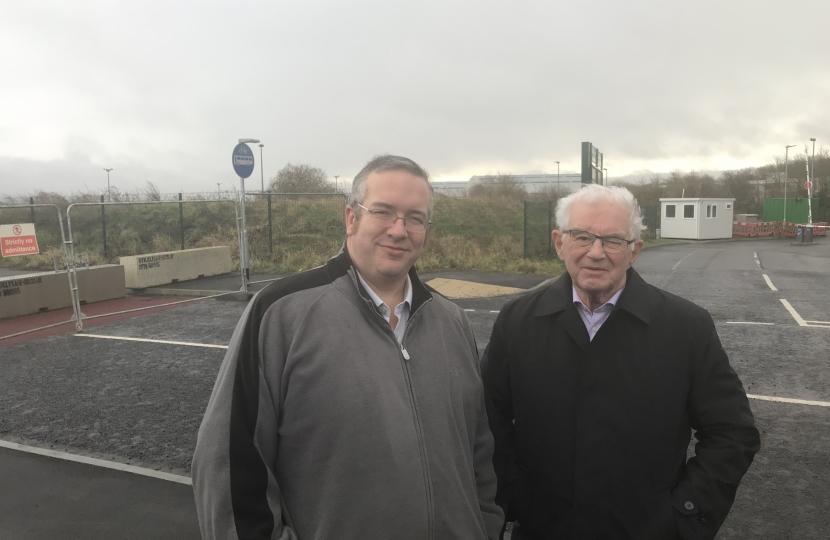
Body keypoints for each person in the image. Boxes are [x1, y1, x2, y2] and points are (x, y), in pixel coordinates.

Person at [192, 155, 503, 540]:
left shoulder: (452, 321)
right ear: (351, 218)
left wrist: (485, 526)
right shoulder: (281, 313)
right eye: (384, 212)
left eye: (415, 218)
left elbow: (478, 453)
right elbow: (229, 463)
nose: (399, 229)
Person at [481, 184, 760, 540]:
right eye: (581, 236)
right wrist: (516, 498)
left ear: (634, 251)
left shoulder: (687, 327)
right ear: (559, 243)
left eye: (613, 240)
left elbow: (732, 433)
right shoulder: (516, 322)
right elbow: (488, 422)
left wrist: (682, 518)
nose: (596, 253)